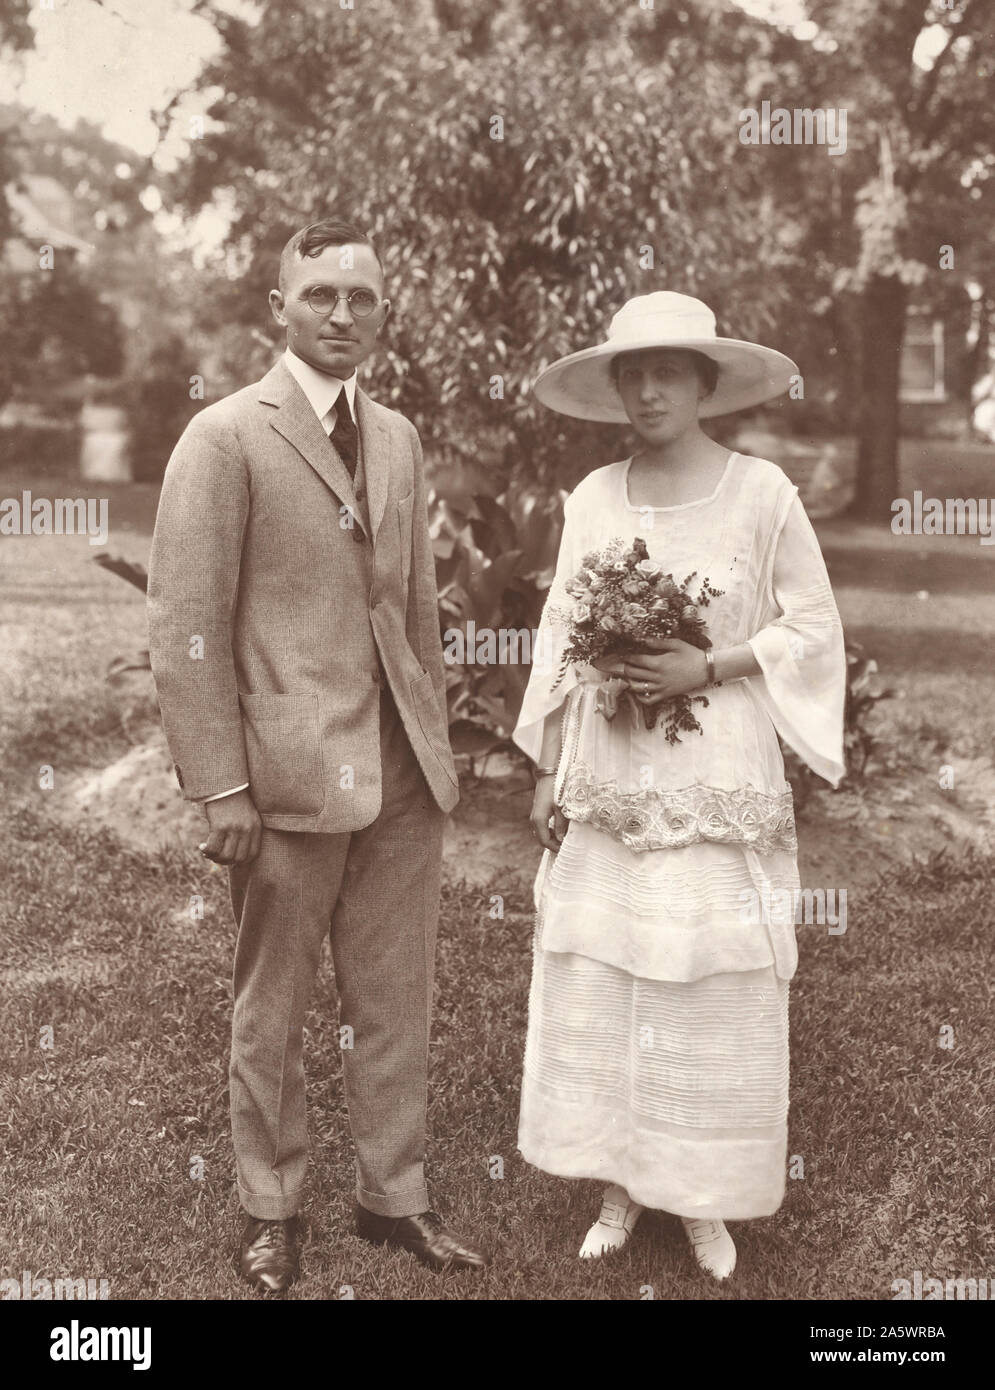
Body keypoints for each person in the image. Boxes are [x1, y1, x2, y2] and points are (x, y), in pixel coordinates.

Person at [147, 218, 488, 1291]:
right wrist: (220, 784)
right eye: (320, 296)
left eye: (362, 298)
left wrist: (432, 742)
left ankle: (394, 1199)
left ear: (382, 313)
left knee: (395, 995)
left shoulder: (396, 437)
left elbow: (416, 614)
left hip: (394, 769)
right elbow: (187, 624)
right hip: (285, 778)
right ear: (276, 312)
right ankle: (272, 1206)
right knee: (275, 1002)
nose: (342, 314)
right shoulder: (225, 436)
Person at [513, 291, 846, 1280]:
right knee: (614, 961)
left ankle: (701, 1191)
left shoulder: (761, 493)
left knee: (703, 968)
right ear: (613, 385)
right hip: (612, 767)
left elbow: (813, 627)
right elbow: (559, 643)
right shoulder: (592, 499)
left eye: (668, 369)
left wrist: (709, 665)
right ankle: (620, 1180)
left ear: (705, 382)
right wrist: (547, 769)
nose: (648, 387)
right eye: (631, 371)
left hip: (713, 763)